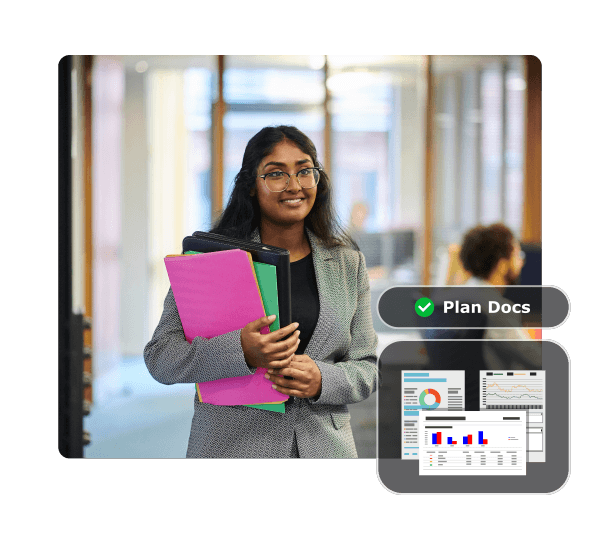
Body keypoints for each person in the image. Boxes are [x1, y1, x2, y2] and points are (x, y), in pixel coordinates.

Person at [143, 126, 378, 458]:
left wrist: (322, 379)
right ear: (251, 185)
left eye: (304, 171)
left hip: (324, 449)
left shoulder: (347, 264)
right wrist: (241, 351)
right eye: (276, 174)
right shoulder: (211, 262)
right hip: (232, 448)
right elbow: (160, 357)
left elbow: (367, 366)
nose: (294, 185)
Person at [458, 223, 542, 370]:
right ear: (502, 264)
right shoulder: (496, 307)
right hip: (497, 389)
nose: (522, 262)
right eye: (518, 255)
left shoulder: (455, 297)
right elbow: (536, 359)